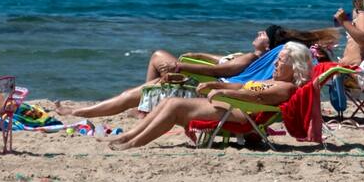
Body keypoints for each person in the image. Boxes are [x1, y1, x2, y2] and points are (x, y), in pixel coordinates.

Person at [55, 25, 337, 119]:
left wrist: (181, 66)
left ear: (270, 44)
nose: (258, 33)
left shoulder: (259, 59)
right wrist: (196, 57)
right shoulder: (264, 62)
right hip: (217, 86)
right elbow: (220, 63)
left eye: (263, 33)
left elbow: (226, 71)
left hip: (215, 89)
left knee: (141, 90)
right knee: (148, 82)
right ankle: (142, 108)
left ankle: (81, 113)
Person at [108, 41, 313, 150]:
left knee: (175, 106)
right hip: (234, 106)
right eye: (277, 60)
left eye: (281, 62)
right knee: (170, 101)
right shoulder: (272, 82)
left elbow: (255, 98)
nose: (276, 64)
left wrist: (222, 92)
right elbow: (245, 88)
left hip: (243, 114)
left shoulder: (285, 88)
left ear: (295, 67)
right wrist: (214, 84)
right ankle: (129, 136)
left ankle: (135, 143)